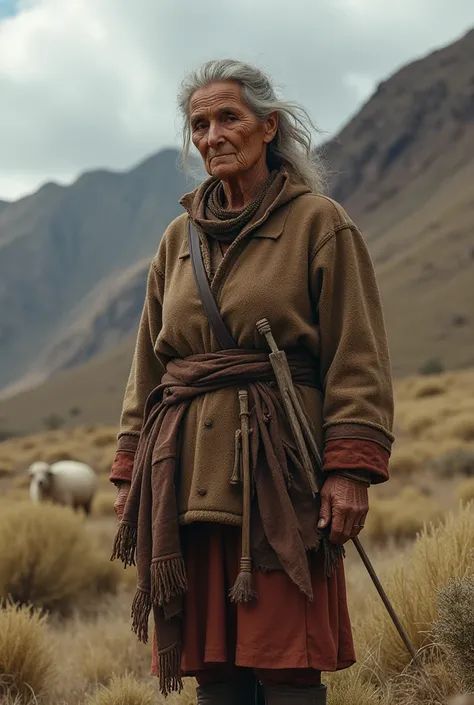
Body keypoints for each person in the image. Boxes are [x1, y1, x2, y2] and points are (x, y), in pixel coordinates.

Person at [110, 59, 394, 705]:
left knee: (287, 658)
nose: (213, 135)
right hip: (184, 474)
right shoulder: (176, 239)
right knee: (214, 665)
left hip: (280, 472)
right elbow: (147, 369)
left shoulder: (320, 223)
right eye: (199, 124)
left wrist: (349, 468)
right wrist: (130, 469)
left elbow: (358, 353)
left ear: (269, 126)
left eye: (228, 118)